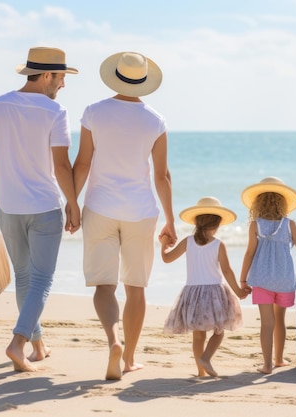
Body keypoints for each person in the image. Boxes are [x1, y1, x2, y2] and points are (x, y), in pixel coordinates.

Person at [72, 51, 177, 380]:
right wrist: (171, 220)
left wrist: (72, 203)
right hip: (140, 212)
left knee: (104, 285)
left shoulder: (93, 112)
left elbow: (83, 163)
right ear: (144, 81)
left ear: (114, 75)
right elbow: (162, 176)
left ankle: (113, 341)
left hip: (100, 208)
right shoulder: (155, 120)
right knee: (136, 287)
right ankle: (129, 358)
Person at [0, 46, 80, 372]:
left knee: (24, 278)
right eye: (61, 78)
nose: (63, 85)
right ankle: (17, 344)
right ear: (47, 75)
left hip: (9, 207)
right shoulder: (55, 112)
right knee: (40, 280)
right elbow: (62, 166)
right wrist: (74, 204)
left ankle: (38, 345)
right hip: (45, 207)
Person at [239, 177, 296, 374]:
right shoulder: (289, 224)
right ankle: (279, 359)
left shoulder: (255, 225)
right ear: (283, 202)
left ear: (258, 203)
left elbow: (249, 253)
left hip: (261, 279)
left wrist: (243, 279)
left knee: (266, 323)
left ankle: (267, 365)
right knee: (280, 320)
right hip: (284, 280)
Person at [160, 197, 248, 377]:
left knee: (198, 335)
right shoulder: (218, 244)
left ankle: (200, 371)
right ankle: (206, 357)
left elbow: (167, 258)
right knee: (219, 331)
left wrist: (163, 244)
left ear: (197, 222)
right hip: (214, 294)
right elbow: (227, 271)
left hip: (193, 294)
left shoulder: (188, 241)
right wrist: (238, 291)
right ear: (217, 224)